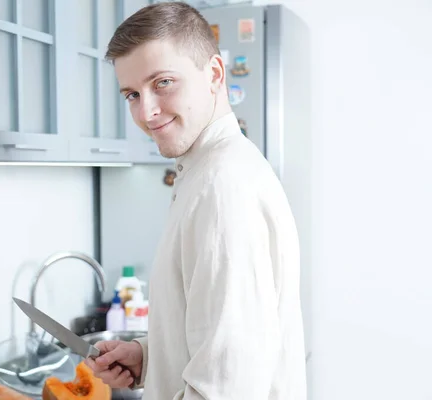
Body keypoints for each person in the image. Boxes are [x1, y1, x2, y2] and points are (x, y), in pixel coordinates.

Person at [85, 2, 307, 399]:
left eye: (163, 83)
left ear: (215, 75)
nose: (147, 111)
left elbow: (227, 388)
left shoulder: (222, 187)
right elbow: (221, 345)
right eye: (132, 94)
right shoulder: (208, 169)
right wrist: (147, 358)